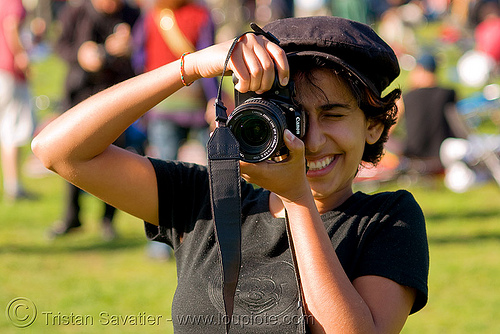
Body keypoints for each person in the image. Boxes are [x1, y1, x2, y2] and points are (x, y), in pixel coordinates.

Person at [32, 16, 429, 333]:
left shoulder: (389, 220)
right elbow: (58, 151)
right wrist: (189, 67)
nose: (310, 140)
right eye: (293, 118)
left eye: (333, 115)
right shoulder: (207, 200)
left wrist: (296, 198)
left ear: (374, 125)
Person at [47, 0, 140, 240]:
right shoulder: (76, 12)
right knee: (69, 154)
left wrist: (130, 47)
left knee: (114, 158)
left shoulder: (132, 14)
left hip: (115, 96)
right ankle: (71, 217)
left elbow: (144, 53)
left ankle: (107, 221)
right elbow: (60, 45)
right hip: (79, 93)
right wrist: (80, 54)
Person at [399, 53, 460, 175]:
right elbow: (459, 126)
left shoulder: (406, 97)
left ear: (420, 69)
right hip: (443, 157)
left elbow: (386, 130)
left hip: (414, 157)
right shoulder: (450, 94)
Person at [0, 0, 36, 202]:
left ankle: (12, 185)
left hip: (2, 70)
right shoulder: (13, 2)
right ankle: (14, 187)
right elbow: (11, 25)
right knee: (11, 129)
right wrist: (21, 55)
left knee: (7, 128)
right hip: (9, 71)